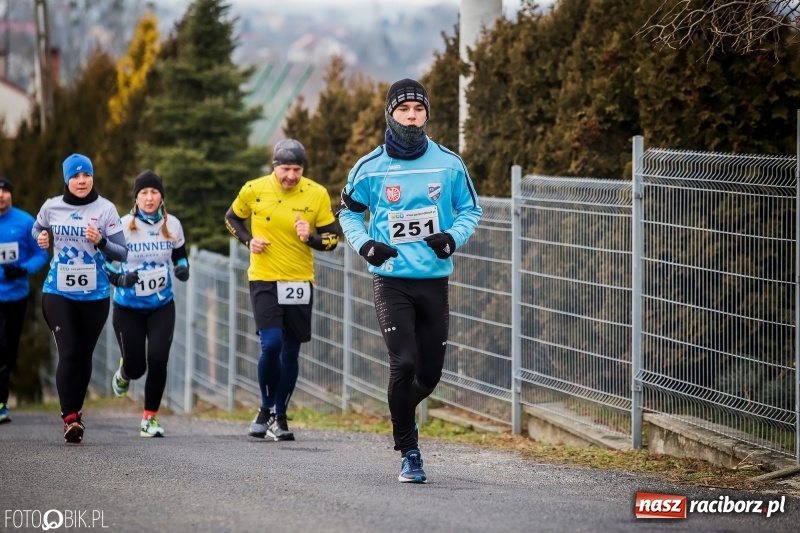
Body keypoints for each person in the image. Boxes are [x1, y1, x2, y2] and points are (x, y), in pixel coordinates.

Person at [337, 79, 482, 483]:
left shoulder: (448, 163)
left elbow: (472, 210)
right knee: (403, 362)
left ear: (427, 114)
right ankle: (409, 450)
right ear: (390, 114)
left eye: (419, 109)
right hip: (391, 281)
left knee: (429, 374)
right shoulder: (370, 167)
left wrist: (453, 238)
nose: (412, 116)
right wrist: (366, 245)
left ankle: (399, 411)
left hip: (433, 281)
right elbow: (346, 213)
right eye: (404, 110)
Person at [225, 139, 339, 441]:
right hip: (264, 277)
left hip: (300, 280)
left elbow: (332, 239)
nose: (291, 176)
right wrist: (249, 241)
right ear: (274, 166)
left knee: (290, 351)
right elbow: (231, 218)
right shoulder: (254, 189)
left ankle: (281, 415)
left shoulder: (316, 194)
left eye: (297, 169)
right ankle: (264, 408)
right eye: (286, 169)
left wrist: (311, 237)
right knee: (271, 343)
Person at [33, 154, 127, 444]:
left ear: (92, 177)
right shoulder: (51, 207)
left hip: (95, 294)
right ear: (66, 179)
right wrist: (41, 238)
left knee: (84, 355)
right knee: (70, 351)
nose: (81, 181)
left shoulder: (106, 209)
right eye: (75, 176)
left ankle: (76, 411)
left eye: (86, 175)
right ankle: (69, 417)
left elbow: (122, 252)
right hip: (58, 292)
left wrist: (100, 241)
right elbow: (37, 230)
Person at [105, 170, 189, 437]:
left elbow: (180, 255)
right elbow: (106, 263)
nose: (149, 198)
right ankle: (124, 373)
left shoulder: (172, 225)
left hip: (162, 304)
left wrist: (182, 269)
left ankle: (149, 418)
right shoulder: (122, 225)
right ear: (136, 198)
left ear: (161, 197)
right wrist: (119, 279)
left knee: (158, 359)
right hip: (128, 307)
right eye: (144, 193)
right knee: (136, 366)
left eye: (154, 192)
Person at [0, 177, 49, 423]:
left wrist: (22, 269)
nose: (0, 195)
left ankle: (1, 400)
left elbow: (41, 254)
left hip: (16, 296)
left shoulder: (25, 221)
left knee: (8, 349)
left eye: (5, 191)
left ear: (11, 195)